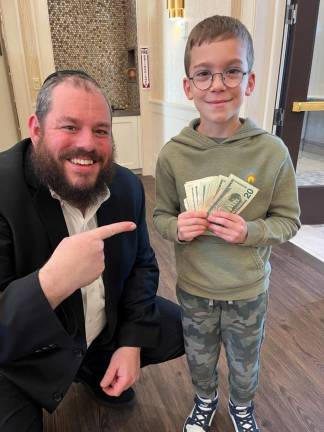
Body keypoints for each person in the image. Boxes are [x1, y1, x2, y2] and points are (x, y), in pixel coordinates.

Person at [0, 70, 184, 431]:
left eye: (101, 130)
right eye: (69, 127)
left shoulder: (126, 186)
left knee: (187, 326)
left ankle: (91, 367)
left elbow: (143, 266)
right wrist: (50, 283)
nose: (88, 143)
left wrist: (131, 344)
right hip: (20, 356)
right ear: (36, 130)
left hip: (98, 328)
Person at [153, 15, 300, 432]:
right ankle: (204, 401)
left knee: (244, 360)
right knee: (199, 357)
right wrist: (177, 227)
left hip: (248, 291)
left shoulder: (272, 153)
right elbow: (161, 215)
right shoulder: (173, 156)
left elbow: (288, 221)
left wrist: (250, 232)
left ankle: (241, 407)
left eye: (232, 71)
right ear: (188, 87)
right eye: (203, 74)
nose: (217, 85)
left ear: (249, 81)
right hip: (195, 289)